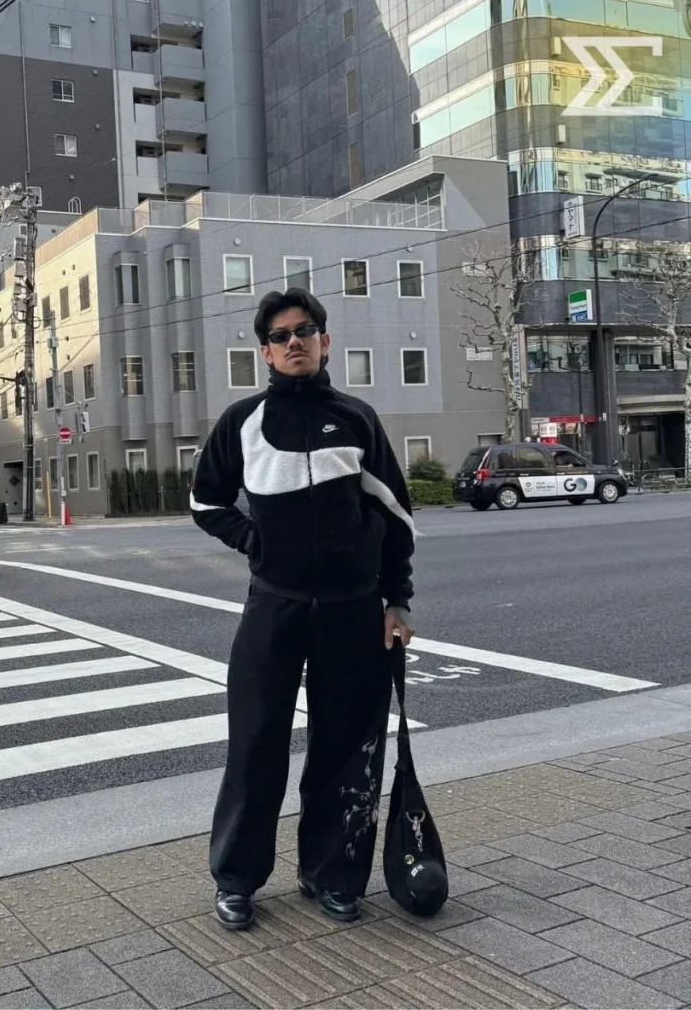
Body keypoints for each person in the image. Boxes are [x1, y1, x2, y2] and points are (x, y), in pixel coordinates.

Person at [191, 287, 415, 931]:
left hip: (354, 609)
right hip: (275, 606)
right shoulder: (243, 421)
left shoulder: (357, 418)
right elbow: (205, 501)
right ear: (265, 352)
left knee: (345, 747)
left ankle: (332, 875)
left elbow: (395, 515)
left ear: (325, 341)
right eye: (280, 335)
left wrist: (397, 599)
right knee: (256, 744)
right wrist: (253, 540)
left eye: (305, 330)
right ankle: (236, 879)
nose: (294, 341)